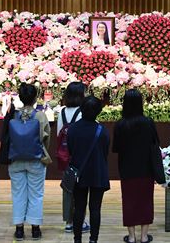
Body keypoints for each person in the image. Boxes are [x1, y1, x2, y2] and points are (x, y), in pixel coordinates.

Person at [0, 83, 51, 241]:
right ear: (36, 98)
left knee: (18, 194)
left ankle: (19, 229)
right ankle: (35, 229)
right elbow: (46, 138)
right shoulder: (40, 116)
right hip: (36, 159)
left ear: (20, 98)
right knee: (36, 194)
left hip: (15, 159)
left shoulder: (13, 115)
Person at [113, 89, 162, 243]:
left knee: (129, 201)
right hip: (146, 168)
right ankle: (144, 236)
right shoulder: (148, 123)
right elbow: (156, 143)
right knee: (145, 201)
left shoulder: (120, 124)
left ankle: (132, 236)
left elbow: (116, 148)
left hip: (127, 168)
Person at [67, 96, 110, 243]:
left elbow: (71, 150)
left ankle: (77, 239)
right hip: (98, 172)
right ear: (98, 111)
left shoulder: (72, 129)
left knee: (79, 208)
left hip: (79, 172)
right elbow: (105, 151)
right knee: (95, 209)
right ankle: (93, 240)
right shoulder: (102, 130)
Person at [56, 82, 91, 234]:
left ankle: (69, 222)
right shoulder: (83, 112)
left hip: (65, 156)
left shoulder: (62, 112)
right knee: (81, 190)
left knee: (67, 188)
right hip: (81, 156)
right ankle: (80, 220)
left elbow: (58, 134)